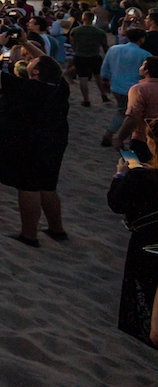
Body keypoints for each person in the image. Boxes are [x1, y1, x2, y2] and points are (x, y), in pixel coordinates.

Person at [0, 32, 70, 247]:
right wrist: (25, 42)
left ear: (36, 72)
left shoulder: (26, 86)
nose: (29, 60)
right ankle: (57, 229)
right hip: (55, 140)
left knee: (28, 187)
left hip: (27, 141)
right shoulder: (59, 86)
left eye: (33, 61)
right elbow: (51, 65)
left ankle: (29, 235)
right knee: (48, 186)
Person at [107, 118, 158, 349]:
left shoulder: (140, 177)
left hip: (147, 244)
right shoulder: (147, 175)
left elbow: (117, 202)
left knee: (146, 292)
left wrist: (119, 175)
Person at [102, 28, 151, 146]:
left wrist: (105, 81)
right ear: (141, 39)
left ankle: (111, 135)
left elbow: (105, 69)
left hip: (117, 87)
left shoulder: (114, 49)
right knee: (130, 115)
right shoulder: (145, 55)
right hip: (134, 89)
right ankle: (120, 137)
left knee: (122, 111)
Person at [114, 56, 158, 163]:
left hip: (141, 139)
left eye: (143, 65)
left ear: (146, 71)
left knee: (133, 170)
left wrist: (120, 138)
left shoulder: (138, 89)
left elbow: (133, 117)